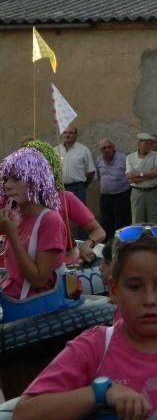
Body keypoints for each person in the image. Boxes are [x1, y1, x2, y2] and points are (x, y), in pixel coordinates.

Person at [10, 224, 157, 420]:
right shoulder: (95, 347)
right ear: (113, 290)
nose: (150, 300)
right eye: (135, 287)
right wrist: (100, 393)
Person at [0, 148, 68, 321]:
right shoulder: (16, 217)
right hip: (9, 301)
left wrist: (12, 236)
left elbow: (39, 279)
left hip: (31, 311)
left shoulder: (50, 221)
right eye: (6, 179)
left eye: (17, 178)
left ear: (35, 181)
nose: (7, 185)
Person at [25, 139, 105, 265]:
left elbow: (98, 231)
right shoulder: (15, 202)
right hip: (27, 270)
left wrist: (87, 244)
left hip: (64, 266)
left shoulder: (65, 197)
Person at [95, 138, 131, 236]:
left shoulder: (123, 158)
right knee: (106, 223)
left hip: (121, 196)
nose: (107, 150)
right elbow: (99, 177)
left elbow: (130, 176)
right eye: (104, 148)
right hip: (105, 197)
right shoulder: (99, 160)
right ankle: (109, 247)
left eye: (109, 147)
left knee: (122, 223)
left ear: (113, 147)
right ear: (101, 150)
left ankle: (122, 245)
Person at [125, 133, 157, 224]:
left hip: (152, 192)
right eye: (146, 144)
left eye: (150, 144)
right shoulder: (130, 158)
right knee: (137, 221)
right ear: (139, 144)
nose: (149, 146)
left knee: (154, 221)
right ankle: (138, 239)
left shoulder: (155, 155)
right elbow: (130, 178)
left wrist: (139, 174)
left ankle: (153, 238)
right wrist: (150, 175)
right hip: (137, 193)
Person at [57, 125, 95, 205]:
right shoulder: (56, 150)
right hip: (61, 189)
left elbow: (91, 172)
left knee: (79, 215)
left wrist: (82, 186)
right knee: (62, 214)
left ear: (76, 135)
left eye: (71, 133)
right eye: (65, 133)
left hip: (77, 189)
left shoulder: (84, 150)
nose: (67, 135)